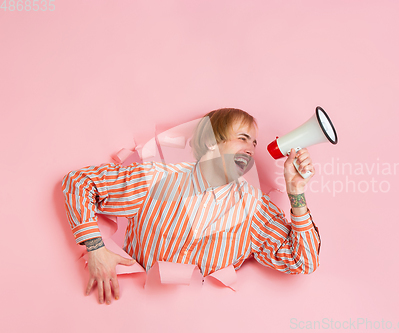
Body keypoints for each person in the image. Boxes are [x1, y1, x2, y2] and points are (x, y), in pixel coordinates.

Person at [62, 108, 321, 304]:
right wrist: (95, 247)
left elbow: (304, 261)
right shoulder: (155, 179)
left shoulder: (254, 209)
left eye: (253, 143)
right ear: (211, 141)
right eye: (243, 138)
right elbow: (79, 182)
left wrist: (296, 192)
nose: (251, 149)